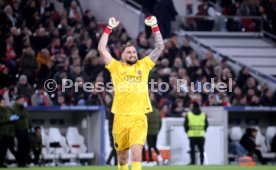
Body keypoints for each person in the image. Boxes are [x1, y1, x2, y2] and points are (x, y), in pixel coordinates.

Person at [98, 16, 164, 170]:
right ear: (122, 56)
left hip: (138, 117)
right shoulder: (115, 67)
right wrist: (108, 28)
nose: (133, 54)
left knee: (136, 153)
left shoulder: (144, 65)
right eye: (129, 52)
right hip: (120, 117)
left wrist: (155, 26)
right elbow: (101, 48)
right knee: (122, 158)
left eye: (134, 52)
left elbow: (160, 47)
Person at [12, 96, 31, 167]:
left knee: (27, 145)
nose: (23, 101)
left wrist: (30, 127)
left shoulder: (23, 107)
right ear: (17, 100)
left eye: (23, 100)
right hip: (18, 129)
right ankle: (20, 162)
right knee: (21, 147)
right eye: (21, 100)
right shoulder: (14, 107)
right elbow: (20, 115)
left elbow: (26, 116)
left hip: (25, 128)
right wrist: (23, 108)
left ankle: (24, 162)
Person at [0, 96, 19, 167]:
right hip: (1, 133)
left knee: (4, 150)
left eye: (5, 102)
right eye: (3, 102)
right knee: (1, 149)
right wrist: (9, 120)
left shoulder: (8, 110)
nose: (5, 103)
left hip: (8, 133)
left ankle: (1, 163)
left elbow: (14, 114)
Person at [146, 93, 163, 164]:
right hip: (155, 132)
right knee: (154, 145)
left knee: (149, 146)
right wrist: (158, 130)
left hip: (149, 131)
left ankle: (150, 159)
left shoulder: (148, 111)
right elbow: (160, 122)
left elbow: (146, 121)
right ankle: (159, 157)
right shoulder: (157, 111)